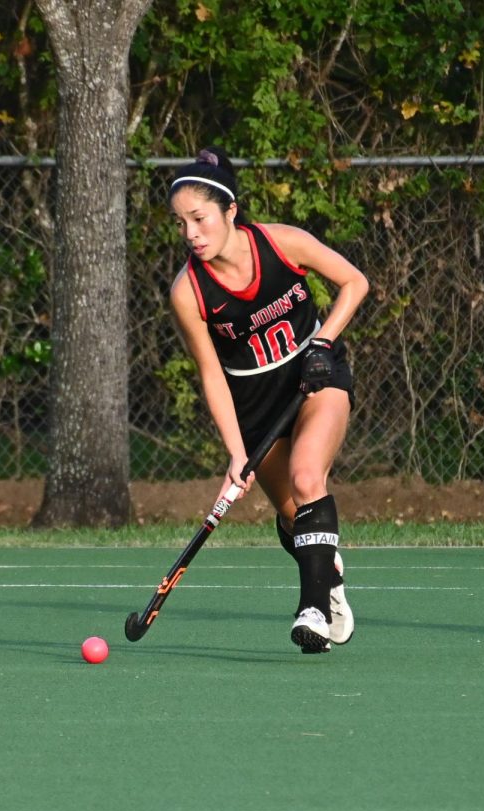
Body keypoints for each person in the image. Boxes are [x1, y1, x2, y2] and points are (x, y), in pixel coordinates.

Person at [167, 148, 368, 653]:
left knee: (307, 478)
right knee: (291, 516)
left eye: (199, 218)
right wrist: (236, 452)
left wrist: (323, 343)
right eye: (181, 223)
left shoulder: (282, 243)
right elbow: (212, 374)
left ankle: (313, 611)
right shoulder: (189, 292)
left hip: (314, 376)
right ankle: (330, 579)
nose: (191, 233)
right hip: (255, 403)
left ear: (230, 211)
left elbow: (354, 282)